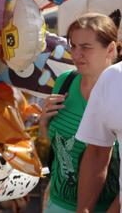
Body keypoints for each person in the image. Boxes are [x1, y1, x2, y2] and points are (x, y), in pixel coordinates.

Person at [38, 13, 120, 212]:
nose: (76, 54)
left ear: (110, 49)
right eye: (73, 46)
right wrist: (42, 124)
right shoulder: (64, 81)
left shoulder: (116, 92)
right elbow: (53, 148)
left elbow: (100, 154)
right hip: (55, 203)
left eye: (86, 47)